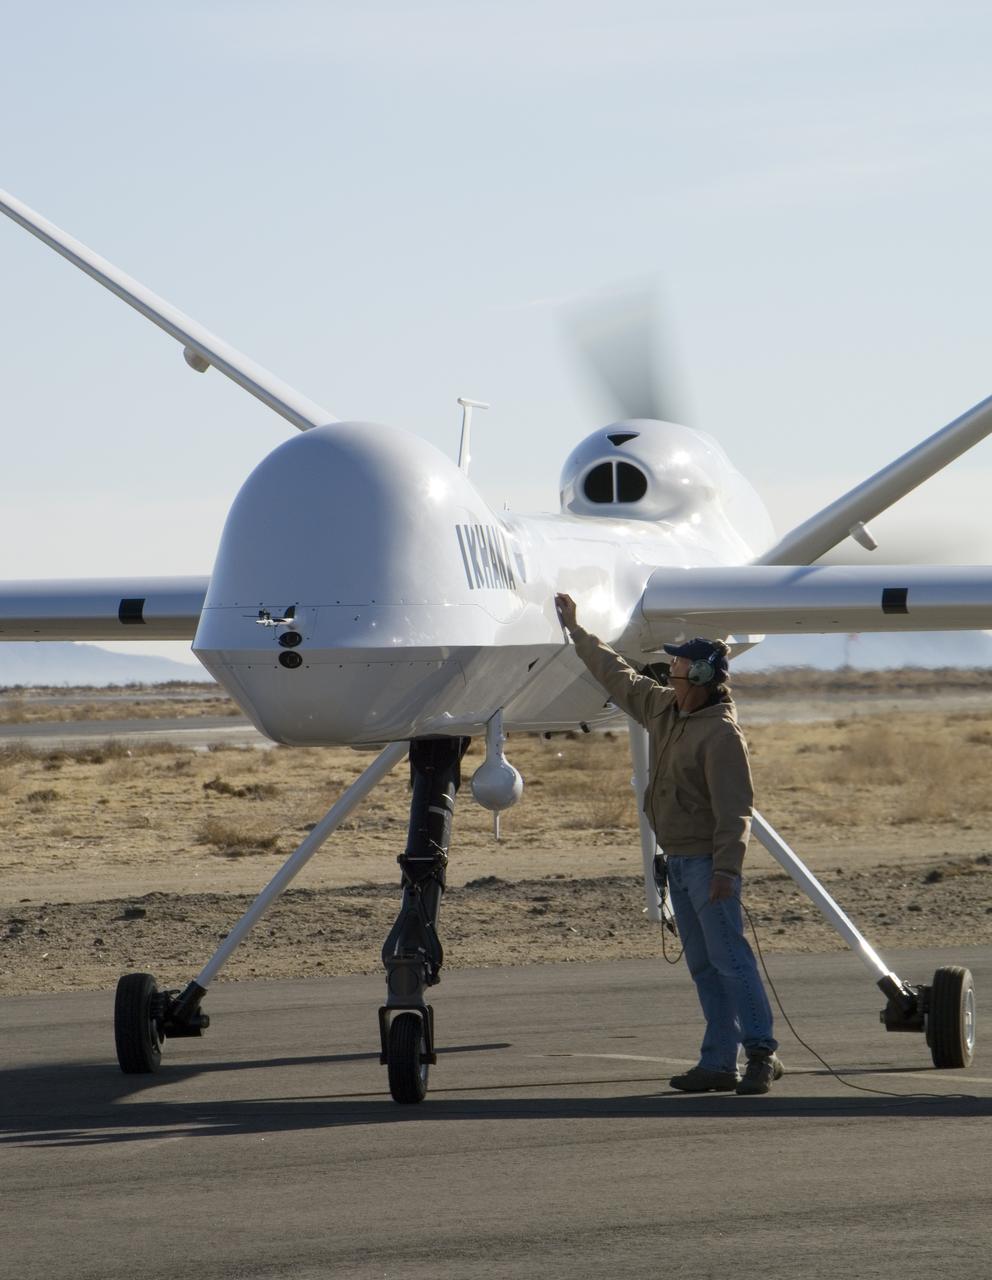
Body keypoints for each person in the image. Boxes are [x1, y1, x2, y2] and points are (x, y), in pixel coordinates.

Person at [554, 592, 782, 1096]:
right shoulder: (663, 709)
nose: (670, 670)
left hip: (708, 867)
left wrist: (727, 871)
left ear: (700, 676)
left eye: (678, 665)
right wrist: (577, 631)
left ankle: (762, 1054)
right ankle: (719, 1063)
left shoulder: (721, 735)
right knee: (703, 965)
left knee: (731, 961)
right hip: (678, 861)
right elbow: (618, 676)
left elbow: (735, 811)